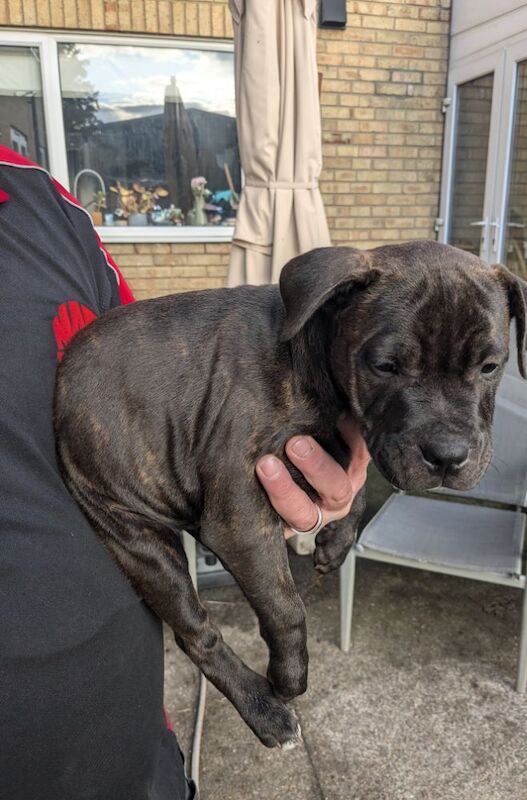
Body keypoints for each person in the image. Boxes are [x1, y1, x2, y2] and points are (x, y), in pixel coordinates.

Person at [0, 144, 369, 800]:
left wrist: (325, 500)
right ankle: (233, 672)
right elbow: (232, 528)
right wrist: (287, 634)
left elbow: (166, 407)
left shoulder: (45, 204)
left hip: (137, 740)